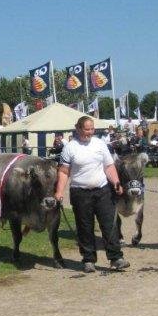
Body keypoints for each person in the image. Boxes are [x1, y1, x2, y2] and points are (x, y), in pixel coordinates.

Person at [54, 115, 129, 273]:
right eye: (86, 129)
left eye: (92, 129)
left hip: (102, 191)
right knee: (85, 227)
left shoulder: (100, 144)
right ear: (78, 129)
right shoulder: (70, 148)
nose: (90, 132)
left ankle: (116, 258)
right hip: (80, 193)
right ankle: (88, 260)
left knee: (109, 225)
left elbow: (109, 166)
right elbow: (64, 171)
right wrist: (59, 191)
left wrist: (116, 182)